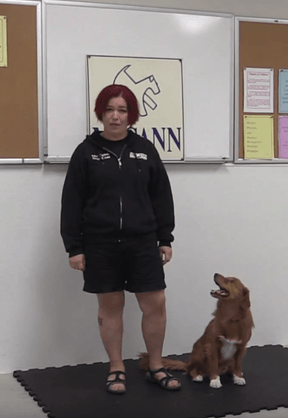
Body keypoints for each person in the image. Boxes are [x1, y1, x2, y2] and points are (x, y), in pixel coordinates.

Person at [60, 84, 181, 394]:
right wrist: (74, 247)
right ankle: (116, 368)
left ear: (131, 115)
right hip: (100, 244)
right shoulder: (86, 152)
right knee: (111, 307)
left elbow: (161, 196)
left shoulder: (145, 149)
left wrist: (165, 238)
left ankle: (156, 365)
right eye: (110, 110)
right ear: (101, 113)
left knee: (155, 304)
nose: (115, 116)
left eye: (122, 110)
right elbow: (71, 202)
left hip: (142, 242)